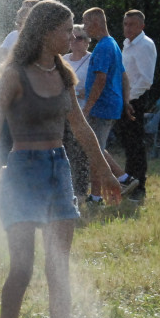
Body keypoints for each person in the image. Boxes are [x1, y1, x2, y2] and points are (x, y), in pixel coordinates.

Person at [0, 0, 120, 318]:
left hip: (58, 172)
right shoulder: (14, 76)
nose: (74, 35)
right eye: (66, 29)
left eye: (75, 29)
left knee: (58, 269)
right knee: (21, 269)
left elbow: (82, 128)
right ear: (43, 33)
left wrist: (103, 170)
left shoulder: (64, 75)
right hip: (21, 173)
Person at [80, 7, 128, 205]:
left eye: (85, 22)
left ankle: (97, 197)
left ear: (96, 22)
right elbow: (124, 76)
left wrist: (87, 107)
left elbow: (100, 79)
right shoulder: (113, 44)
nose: (83, 28)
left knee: (95, 153)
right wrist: (126, 100)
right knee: (97, 149)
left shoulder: (103, 47)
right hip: (110, 105)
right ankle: (125, 179)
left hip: (102, 107)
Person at [116, 10, 156, 201]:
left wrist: (129, 99)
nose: (127, 28)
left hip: (135, 100)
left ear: (142, 26)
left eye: (132, 24)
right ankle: (129, 181)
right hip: (126, 99)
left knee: (135, 144)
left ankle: (139, 186)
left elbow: (145, 80)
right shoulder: (128, 44)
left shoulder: (144, 45)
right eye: (125, 24)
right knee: (128, 143)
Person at [62, 24, 92, 199]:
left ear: (87, 42)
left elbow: (99, 83)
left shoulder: (92, 59)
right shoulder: (63, 59)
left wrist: (84, 91)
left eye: (79, 38)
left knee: (81, 152)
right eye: (72, 37)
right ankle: (66, 189)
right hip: (65, 112)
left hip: (84, 112)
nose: (75, 41)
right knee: (65, 150)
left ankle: (81, 191)